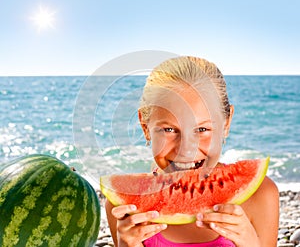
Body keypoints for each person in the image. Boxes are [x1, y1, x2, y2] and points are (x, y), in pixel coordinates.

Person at [105, 56, 279, 246]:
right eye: (169, 130)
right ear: (145, 127)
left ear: (226, 124)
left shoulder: (261, 195)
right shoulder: (125, 209)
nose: (186, 150)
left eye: (202, 130)